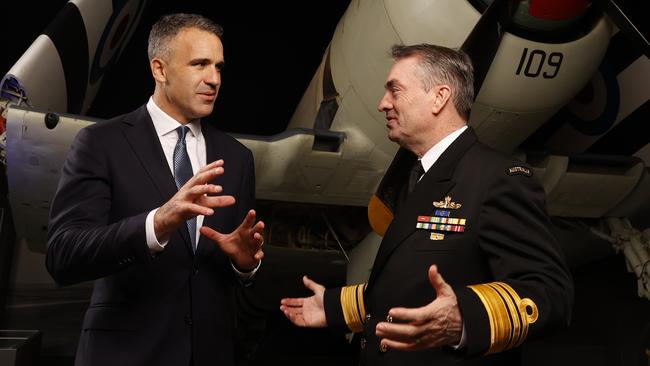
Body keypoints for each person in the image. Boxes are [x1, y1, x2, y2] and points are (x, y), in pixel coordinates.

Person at [280, 44, 573, 365]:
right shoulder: (420, 175)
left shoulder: (498, 178)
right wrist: (338, 307)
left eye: (395, 90)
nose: (382, 104)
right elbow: (413, 282)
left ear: (439, 97)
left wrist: (465, 318)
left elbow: (551, 292)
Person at [46, 13, 264, 366]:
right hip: (124, 355)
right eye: (200, 64)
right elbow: (63, 256)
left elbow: (224, 280)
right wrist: (157, 224)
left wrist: (244, 266)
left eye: (219, 67)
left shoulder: (237, 158)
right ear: (159, 70)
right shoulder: (101, 143)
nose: (214, 79)